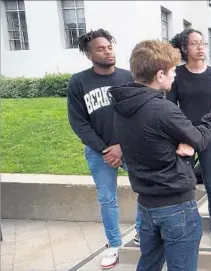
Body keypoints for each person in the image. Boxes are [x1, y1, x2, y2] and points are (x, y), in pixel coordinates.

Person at [109, 40, 211, 271]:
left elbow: (151, 142)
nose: (176, 75)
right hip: (176, 208)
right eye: (173, 71)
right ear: (159, 75)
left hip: (146, 205)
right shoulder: (162, 109)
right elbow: (200, 139)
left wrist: (181, 143)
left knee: (148, 264)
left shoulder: (123, 105)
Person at [67, 28, 142, 269]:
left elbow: (137, 114)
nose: (107, 52)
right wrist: (104, 149)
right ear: (89, 55)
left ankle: (142, 232)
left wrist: (121, 146)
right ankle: (114, 244)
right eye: (100, 49)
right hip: (99, 153)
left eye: (109, 47)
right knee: (107, 199)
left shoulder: (127, 77)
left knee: (145, 189)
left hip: (130, 147)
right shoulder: (79, 82)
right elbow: (78, 122)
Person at [168, 29, 211, 248]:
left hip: (210, 137)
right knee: (185, 183)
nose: (201, 47)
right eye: (195, 43)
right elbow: (171, 107)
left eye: (203, 43)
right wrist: (182, 135)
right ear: (185, 48)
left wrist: (207, 130)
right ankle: (188, 223)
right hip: (185, 139)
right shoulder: (178, 74)